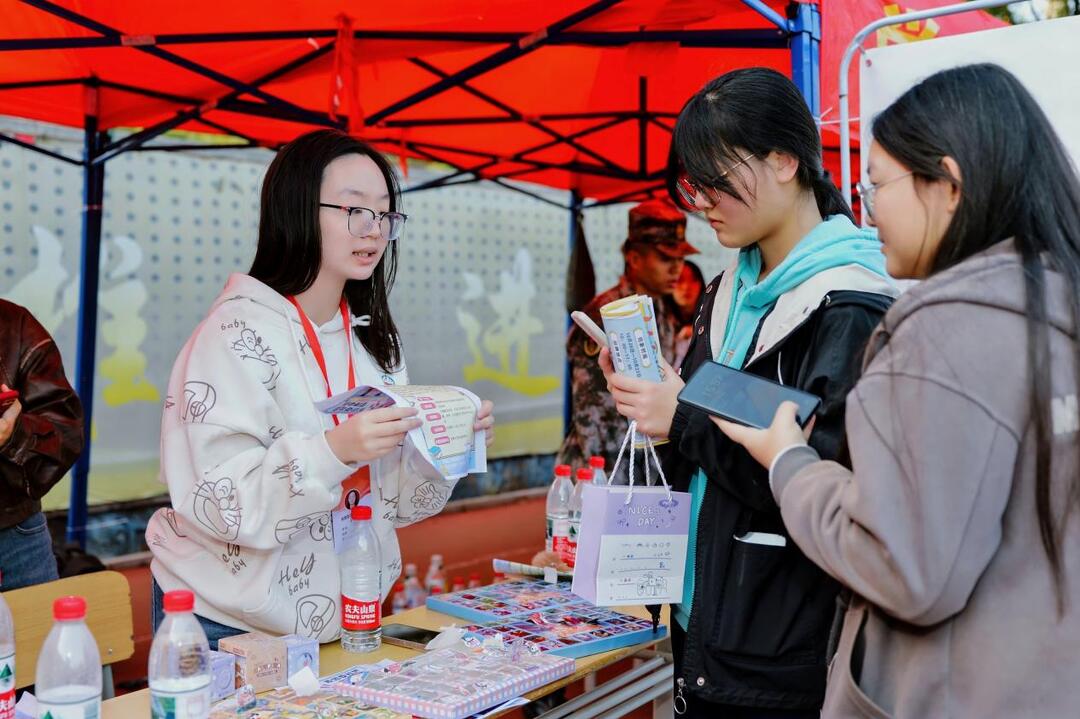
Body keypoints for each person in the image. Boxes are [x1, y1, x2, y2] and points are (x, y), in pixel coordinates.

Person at [718, 64, 1080, 718]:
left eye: (876, 184)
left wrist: (790, 462)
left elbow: (904, 567)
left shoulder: (943, 332)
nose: (865, 207)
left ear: (948, 184)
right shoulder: (1059, 304)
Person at [599, 68, 897, 717]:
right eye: (693, 185)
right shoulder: (725, 291)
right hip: (703, 621)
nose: (703, 202)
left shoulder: (849, 304)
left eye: (717, 180)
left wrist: (682, 417)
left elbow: (819, 478)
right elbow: (718, 426)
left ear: (785, 160)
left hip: (781, 647)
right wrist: (655, 398)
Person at [145, 130, 495, 647]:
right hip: (229, 622)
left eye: (384, 214)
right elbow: (221, 502)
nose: (373, 230)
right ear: (297, 211)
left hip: (346, 612)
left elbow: (397, 507)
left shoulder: (374, 340)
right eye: (354, 210)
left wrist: (444, 443)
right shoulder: (232, 335)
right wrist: (334, 451)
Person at [557, 199, 697, 483]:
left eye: (680, 258)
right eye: (665, 258)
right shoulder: (606, 316)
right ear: (634, 258)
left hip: (642, 470)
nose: (676, 268)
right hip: (601, 473)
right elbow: (595, 416)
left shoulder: (661, 311)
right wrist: (606, 485)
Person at [0, 300, 83, 590]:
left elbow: (66, 433)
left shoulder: (13, 323)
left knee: (40, 620)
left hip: (12, 534)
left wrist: (13, 435)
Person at [671, 260, 706, 369]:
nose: (686, 287)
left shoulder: (711, 316)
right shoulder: (659, 320)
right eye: (679, 280)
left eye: (693, 279)